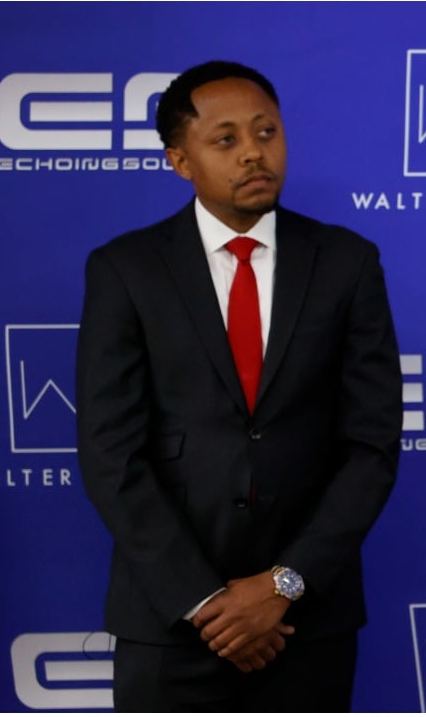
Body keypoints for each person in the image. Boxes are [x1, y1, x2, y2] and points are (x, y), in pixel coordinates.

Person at [76, 60, 404, 711]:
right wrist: (204, 600)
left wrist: (284, 584)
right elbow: (111, 452)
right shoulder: (126, 269)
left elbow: (371, 446)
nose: (254, 153)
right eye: (225, 140)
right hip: (170, 623)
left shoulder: (347, 262)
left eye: (266, 132)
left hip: (306, 624)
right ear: (180, 160)